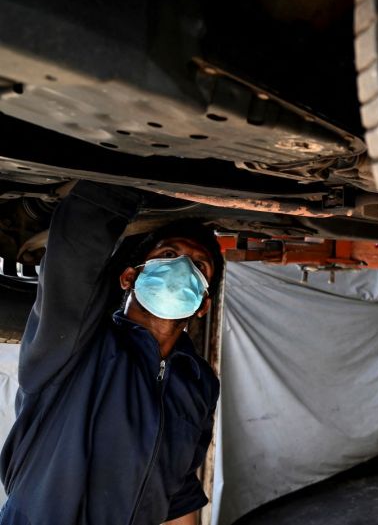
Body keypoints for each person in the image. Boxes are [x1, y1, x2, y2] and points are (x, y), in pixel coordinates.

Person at [0, 181, 223, 525]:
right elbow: (72, 262)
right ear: (130, 277)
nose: (181, 269)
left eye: (199, 266)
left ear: (203, 304)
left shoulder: (198, 382)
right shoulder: (77, 347)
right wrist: (121, 178)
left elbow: (177, 493)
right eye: (168, 255)